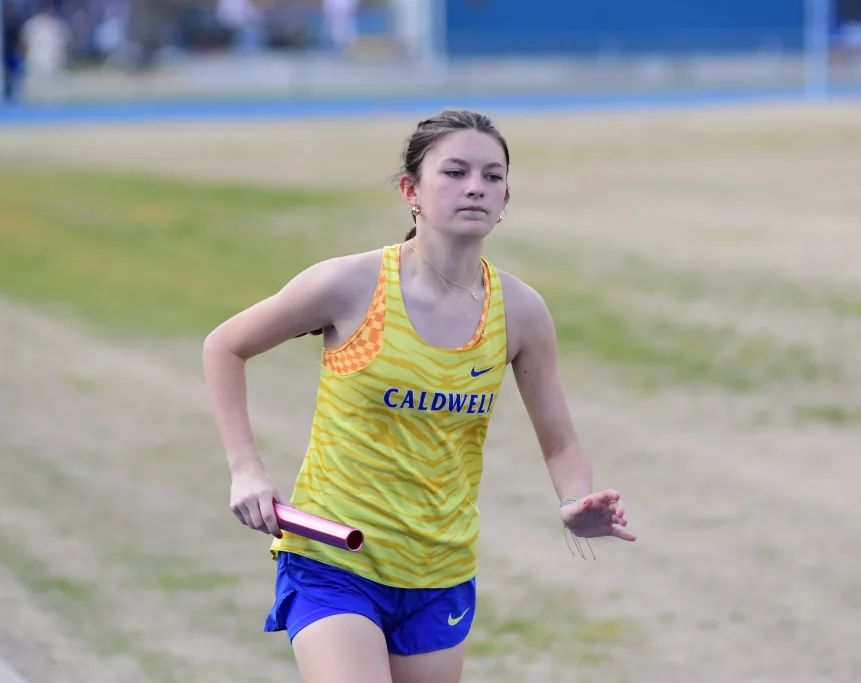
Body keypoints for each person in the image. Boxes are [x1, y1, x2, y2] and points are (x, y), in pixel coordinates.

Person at [202, 109, 637, 683]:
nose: (475, 187)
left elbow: (561, 444)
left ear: (505, 198)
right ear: (411, 191)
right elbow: (224, 346)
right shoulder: (350, 284)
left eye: (492, 176)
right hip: (334, 559)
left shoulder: (520, 311)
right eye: (455, 172)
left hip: (440, 572)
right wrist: (246, 469)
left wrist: (575, 503)